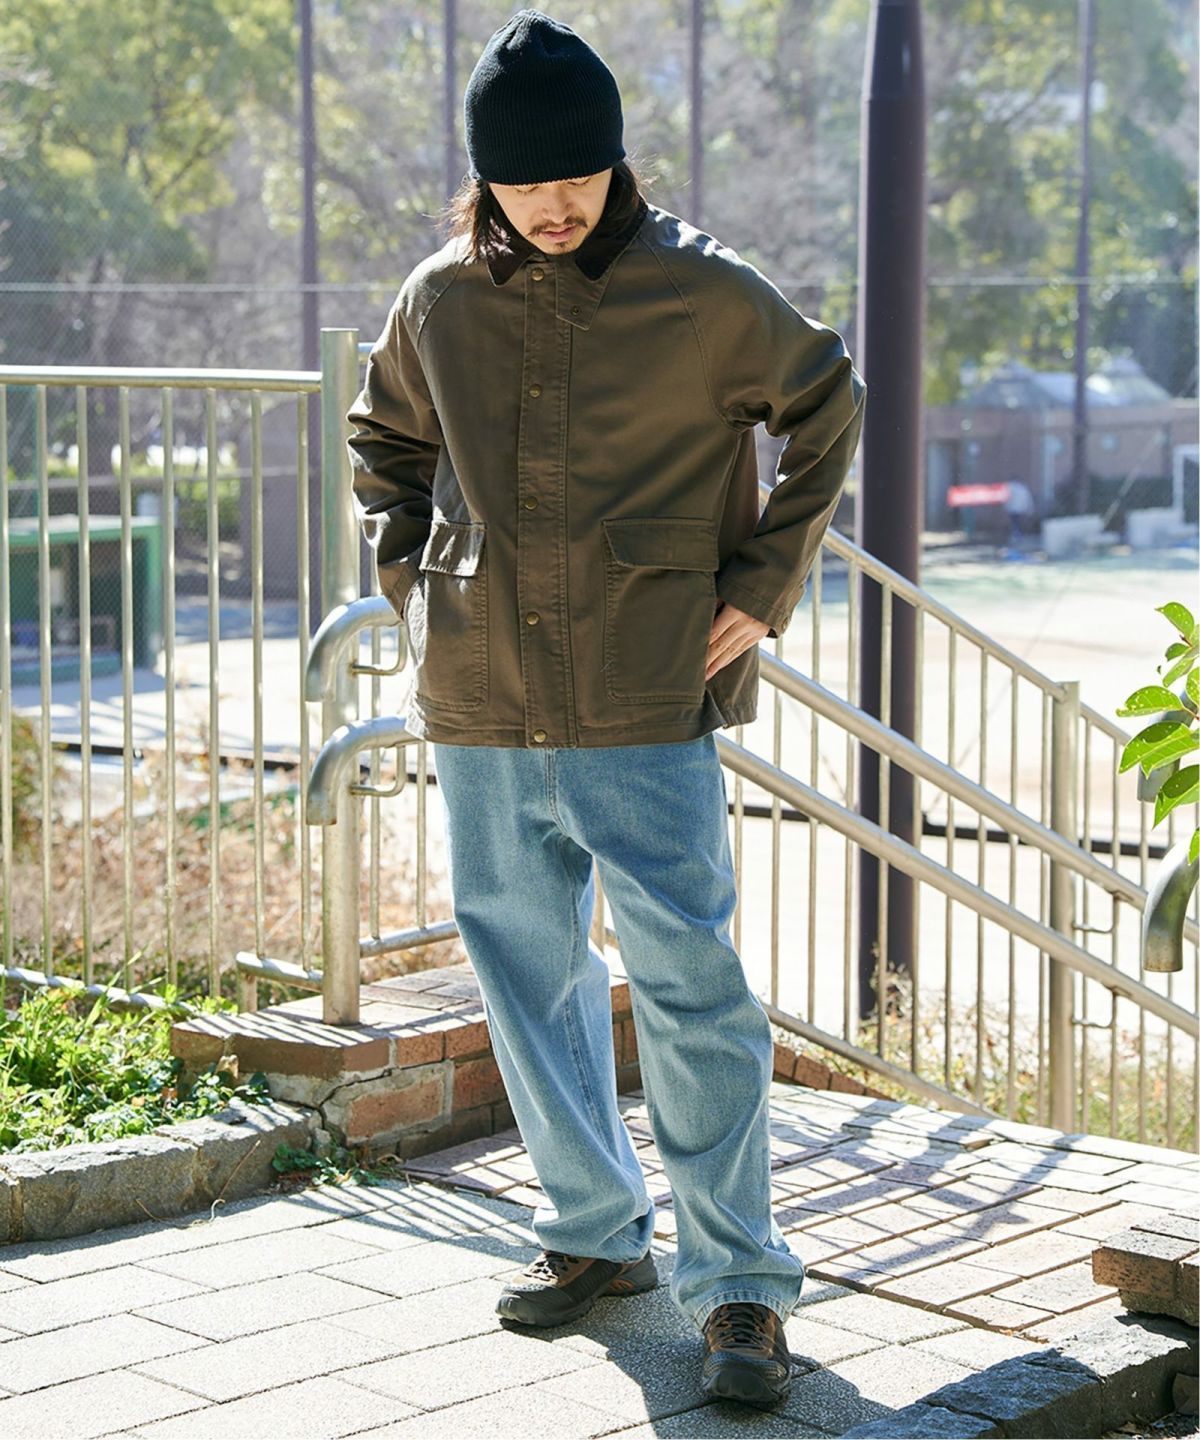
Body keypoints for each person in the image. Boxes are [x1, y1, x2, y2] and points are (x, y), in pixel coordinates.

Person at [346, 7, 866, 1411]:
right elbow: (384, 438)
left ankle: (741, 1283)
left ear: (616, 160)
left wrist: (761, 587)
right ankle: (592, 1230)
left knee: (691, 986)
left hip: (646, 688)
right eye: (529, 182)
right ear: (486, 178)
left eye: (580, 174)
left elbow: (826, 401)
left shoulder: (701, 290)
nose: (558, 204)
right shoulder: (439, 300)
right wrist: (417, 585)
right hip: (482, 697)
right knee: (528, 975)